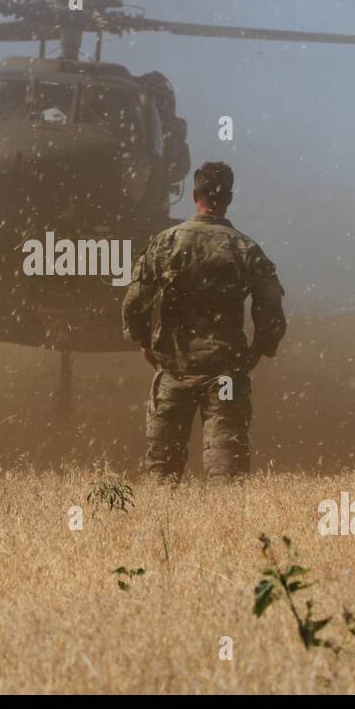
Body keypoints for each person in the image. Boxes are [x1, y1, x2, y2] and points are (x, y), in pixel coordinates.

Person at [122, 162, 287, 481]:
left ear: (195, 194)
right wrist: (260, 349)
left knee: (162, 474)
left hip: (173, 369)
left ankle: (162, 530)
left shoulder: (166, 243)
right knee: (226, 471)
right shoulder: (245, 248)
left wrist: (144, 343)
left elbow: (134, 302)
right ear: (229, 198)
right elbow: (271, 305)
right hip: (225, 374)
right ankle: (221, 531)